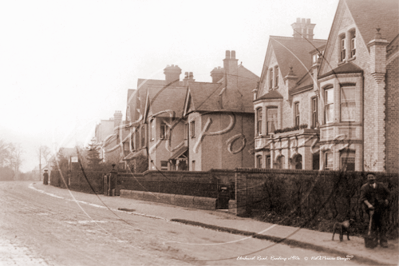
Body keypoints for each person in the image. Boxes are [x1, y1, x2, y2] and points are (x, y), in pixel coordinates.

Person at [359, 173, 390, 248]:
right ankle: (374, 241)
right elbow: (363, 198)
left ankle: (383, 241)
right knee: (373, 225)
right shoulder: (364, 187)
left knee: (382, 225)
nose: (370, 178)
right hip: (371, 209)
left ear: (375, 177)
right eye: (369, 177)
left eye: (372, 177)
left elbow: (388, 193)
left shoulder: (381, 185)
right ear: (367, 179)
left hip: (381, 208)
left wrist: (386, 199)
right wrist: (369, 205)